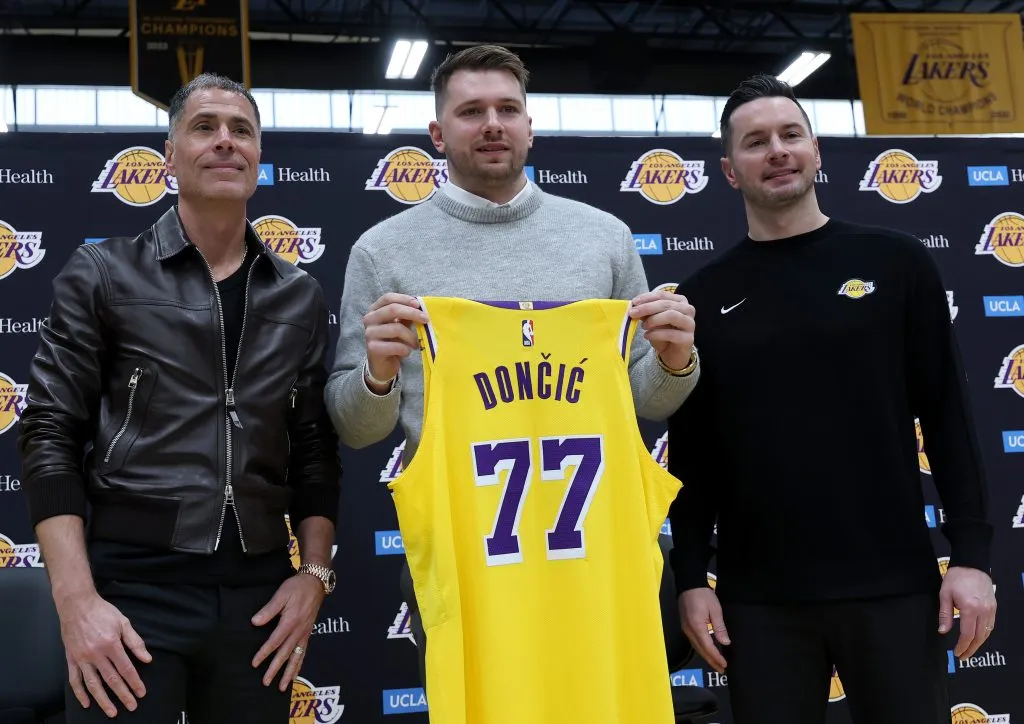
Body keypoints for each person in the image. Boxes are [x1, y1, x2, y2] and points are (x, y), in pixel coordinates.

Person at [326, 44, 699, 689]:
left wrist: (676, 359)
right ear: (438, 134)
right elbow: (356, 429)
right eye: (471, 111)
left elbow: (649, 400)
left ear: (531, 126)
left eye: (508, 109)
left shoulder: (604, 236)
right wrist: (377, 376)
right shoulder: (383, 252)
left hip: (597, 554)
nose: (493, 124)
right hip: (466, 557)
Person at [666, 74, 996, 724]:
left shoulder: (897, 264)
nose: (777, 151)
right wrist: (691, 579)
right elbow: (693, 456)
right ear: (729, 171)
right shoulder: (703, 295)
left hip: (895, 586)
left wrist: (971, 558)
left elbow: (949, 420)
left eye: (791, 134)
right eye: (755, 142)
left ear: (816, 151)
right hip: (758, 602)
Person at [17, 73, 341, 724]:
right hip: (130, 594)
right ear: (169, 157)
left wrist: (314, 578)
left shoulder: (298, 294)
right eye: (204, 127)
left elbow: (314, 452)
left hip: (257, 602)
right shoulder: (104, 273)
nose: (225, 141)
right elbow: (49, 433)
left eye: (242, 130)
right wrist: (75, 602)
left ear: (258, 156)